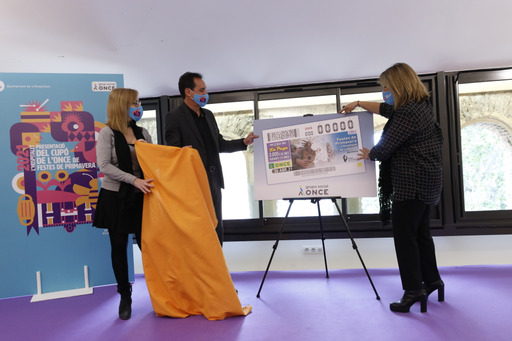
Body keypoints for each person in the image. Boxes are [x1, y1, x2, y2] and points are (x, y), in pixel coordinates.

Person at [340, 63, 444, 313]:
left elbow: (384, 148)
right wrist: (359, 103)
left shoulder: (408, 113)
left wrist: (366, 153)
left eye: (386, 86)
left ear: (398, 86)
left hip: (412, 185)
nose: (384, 91)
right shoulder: (419, 106)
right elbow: (386, 109)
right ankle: (432, 281)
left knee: (405, 239)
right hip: (427, 183)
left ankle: (413, 290)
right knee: (421, 235)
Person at [165, 72, 258, 246]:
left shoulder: (208, 115)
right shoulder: (174, 117)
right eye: (202, 90)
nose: (205, 93)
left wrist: (243, 142)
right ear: (188, 92)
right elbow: (172, 153)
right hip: (192, 184)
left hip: (214, 182)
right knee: (197, 232)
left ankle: (216, 272)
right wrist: (181, 152)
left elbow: (219, 144)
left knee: (216, 229)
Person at [93, 88, 154, 320]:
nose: (138, 106)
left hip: (141, 196)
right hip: (115, 197)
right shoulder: (107, 132)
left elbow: (157, 157)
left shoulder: (143, 132)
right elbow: (105, 166)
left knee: (149, 246)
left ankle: (162, 290)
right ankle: (125, 296)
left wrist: (178, 155)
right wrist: (134, 180)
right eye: (134, 102)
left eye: (138, 101)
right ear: (122, 105)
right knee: (118, 247)